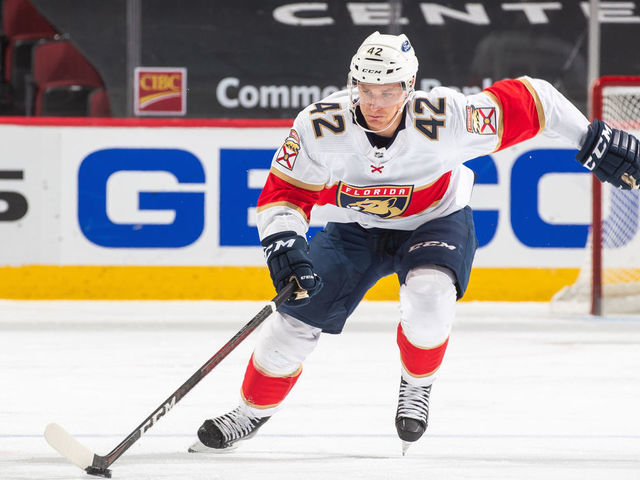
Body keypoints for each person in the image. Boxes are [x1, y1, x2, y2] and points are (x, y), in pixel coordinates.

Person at [189, 31, 640, 454]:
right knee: (290, 324)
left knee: (430, 297)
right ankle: (250, 413)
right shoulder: (319, 126)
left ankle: (416, 384)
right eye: (365, 89)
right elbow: (284, 194)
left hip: (436, 222)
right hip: (354, 230)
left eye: (388, 91)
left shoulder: (447, 119)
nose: (375, 103)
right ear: (352, 84)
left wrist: (589, 138)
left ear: (410, 87)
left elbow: (535, 98)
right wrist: (284, 243)